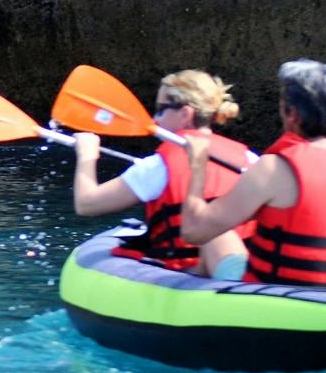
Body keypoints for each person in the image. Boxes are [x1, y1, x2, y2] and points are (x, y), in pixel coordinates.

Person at [178, 59, 326, 289]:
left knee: (218, 237)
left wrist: (198, 167)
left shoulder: (273, 170)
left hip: (277, 298)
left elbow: (193, 232)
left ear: (291, 113)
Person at [72, 69, 259, 280]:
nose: (155, 119)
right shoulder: (250, 159)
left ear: (185, 114)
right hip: (246, 268)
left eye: (161, 109)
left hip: (187, 273)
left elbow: (86, 204)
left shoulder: (158, 167)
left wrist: (87, 155)